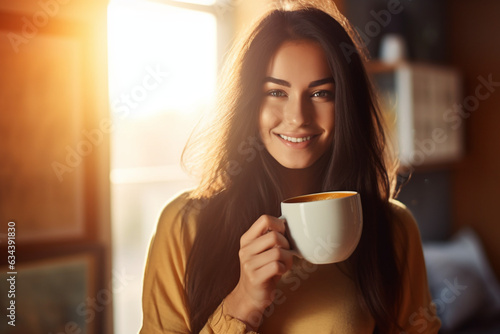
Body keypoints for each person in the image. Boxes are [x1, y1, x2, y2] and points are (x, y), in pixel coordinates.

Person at [139, 2, 441, 333]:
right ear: (250, 102)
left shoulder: (393, 228)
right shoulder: (184, 226)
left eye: (321, 93)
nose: (297, 117)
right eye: (277, 92)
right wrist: (243, 303)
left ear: (347, 105)